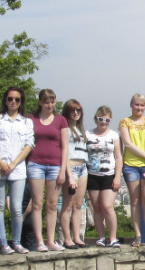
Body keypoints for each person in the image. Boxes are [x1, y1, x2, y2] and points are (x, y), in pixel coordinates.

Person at [0, 87, 33, 254]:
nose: (13, 102)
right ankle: (3, 243)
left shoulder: (26, 122)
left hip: (17, 169)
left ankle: (16, 241)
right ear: (5, 100)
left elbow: (29, 144)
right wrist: (1, 163)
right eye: (10, 99)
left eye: (17, 99)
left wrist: (14, 163)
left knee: (16, 208)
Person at [28, 89, 68, 252]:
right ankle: (39, 241)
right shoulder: (31, 119)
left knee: (52, 204)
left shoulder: (60, 121)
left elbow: (65, 147)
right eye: (46, 102)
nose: (49, 105)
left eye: (52, 102)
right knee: (37, 203)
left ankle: (51, 240)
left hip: (55, 164)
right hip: (35, 163)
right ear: (40, 103)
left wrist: (62, 170)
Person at [119, 94, 145, 248]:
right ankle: (137, 235)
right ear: (131, 105)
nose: (139, 108)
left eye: (142, 105)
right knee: (135, 201)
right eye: (136, 105)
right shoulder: (125, 122)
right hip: (131, 165)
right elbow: (128, 144)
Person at [87, 106, 123, 247]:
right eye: (101, 119)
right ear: (96, 118)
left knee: (107, 206)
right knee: (96, 207)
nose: (104, 122)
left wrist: (117, 177)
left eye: (107, 120)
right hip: (92, 174)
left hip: (109, 174)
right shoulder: (88, 134)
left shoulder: (114, 135)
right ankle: (101, 237)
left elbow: (118, 157)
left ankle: (113, 237)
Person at [60, 99, 89, 248]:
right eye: (73, 110)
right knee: (67, 205)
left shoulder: (80, 129)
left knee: (78, 204)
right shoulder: (65, 129)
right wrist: (69, 175)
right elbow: (64, 153)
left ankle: (77, 236)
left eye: (78, 110)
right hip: (71, 167)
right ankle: (67, 237)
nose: (76, 113)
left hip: (83, 166)